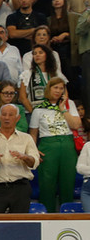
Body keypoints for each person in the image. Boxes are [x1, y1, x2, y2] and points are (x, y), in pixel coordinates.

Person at [0, 103, 38, 214]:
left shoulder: (26, 138)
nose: (7, 117)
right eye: (4, 114)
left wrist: (24, 157)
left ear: (18, 118)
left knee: (20, 226)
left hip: (21, 187)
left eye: (11, 115)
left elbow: (34, 162)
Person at [31, 78, 81, 212]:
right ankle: (47, 215)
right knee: (47, 185)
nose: (58, 91)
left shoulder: (69, 104)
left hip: (67, 145)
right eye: (55, 88)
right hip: (48, 146)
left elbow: (76, 125)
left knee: (68, 183)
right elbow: (33, 134)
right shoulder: (39, 109)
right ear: (49, 89)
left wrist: (63, 109)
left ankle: (68, 213)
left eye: (61, 88)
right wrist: (33, 150)